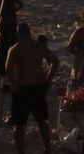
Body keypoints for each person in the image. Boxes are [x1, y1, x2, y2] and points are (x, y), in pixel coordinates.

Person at [5, 22, 59, 154]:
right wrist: (48, 77)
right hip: (38, 87)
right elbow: (55, 61)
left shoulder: (15, 48)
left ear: (18, 34)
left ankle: (21, 151)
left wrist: (13, 83)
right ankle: (48, 149)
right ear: (30, 33)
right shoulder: (39, 46)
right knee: (42, 120)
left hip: (22, 87)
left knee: (19, 124)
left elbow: (8, 68)